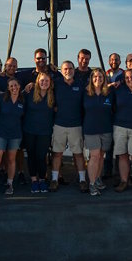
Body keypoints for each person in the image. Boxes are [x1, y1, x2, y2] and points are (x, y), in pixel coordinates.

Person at [50, 60, 87, 193]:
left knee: (78, 154)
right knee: (57, 154)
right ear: (61, 70)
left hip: (76, 125)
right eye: (65, 69)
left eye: (70, 69)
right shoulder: (56, 84)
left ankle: (82, 180)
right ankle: (54, 179)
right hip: (59, 125)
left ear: (74, 70)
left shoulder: (81, 85)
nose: (68, 71)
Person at [0, 78, 24, 196]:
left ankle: (10, 184)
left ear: (19, 86)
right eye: (11, 86)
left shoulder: (23, 100)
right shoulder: (2, 98)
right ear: (8, 88)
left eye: (16, 85)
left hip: (15, 134)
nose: (14, 88)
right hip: (1, 133)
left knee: (11, 160)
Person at [83, 69, 113, 196]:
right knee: (94, 156)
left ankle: (97, 178)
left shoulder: (110, 93)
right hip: (91, 129)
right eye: (95, 77)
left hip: (106, 129)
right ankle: (92, 183)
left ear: (104, 79)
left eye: (100, 77)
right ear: (91, 78)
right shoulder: (85, 93)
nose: (98, 79)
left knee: (101, 155)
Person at [23, 72, 55, 193]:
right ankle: (34, 180)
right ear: (37, 81)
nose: (44, 83)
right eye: (42, 80)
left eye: (47, 80)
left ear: (50, 82)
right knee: (31, 156)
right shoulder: (29, 93)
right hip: (29, 130)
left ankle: (42, 179)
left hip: (45, 132)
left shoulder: (53, 95)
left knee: (41, 157)